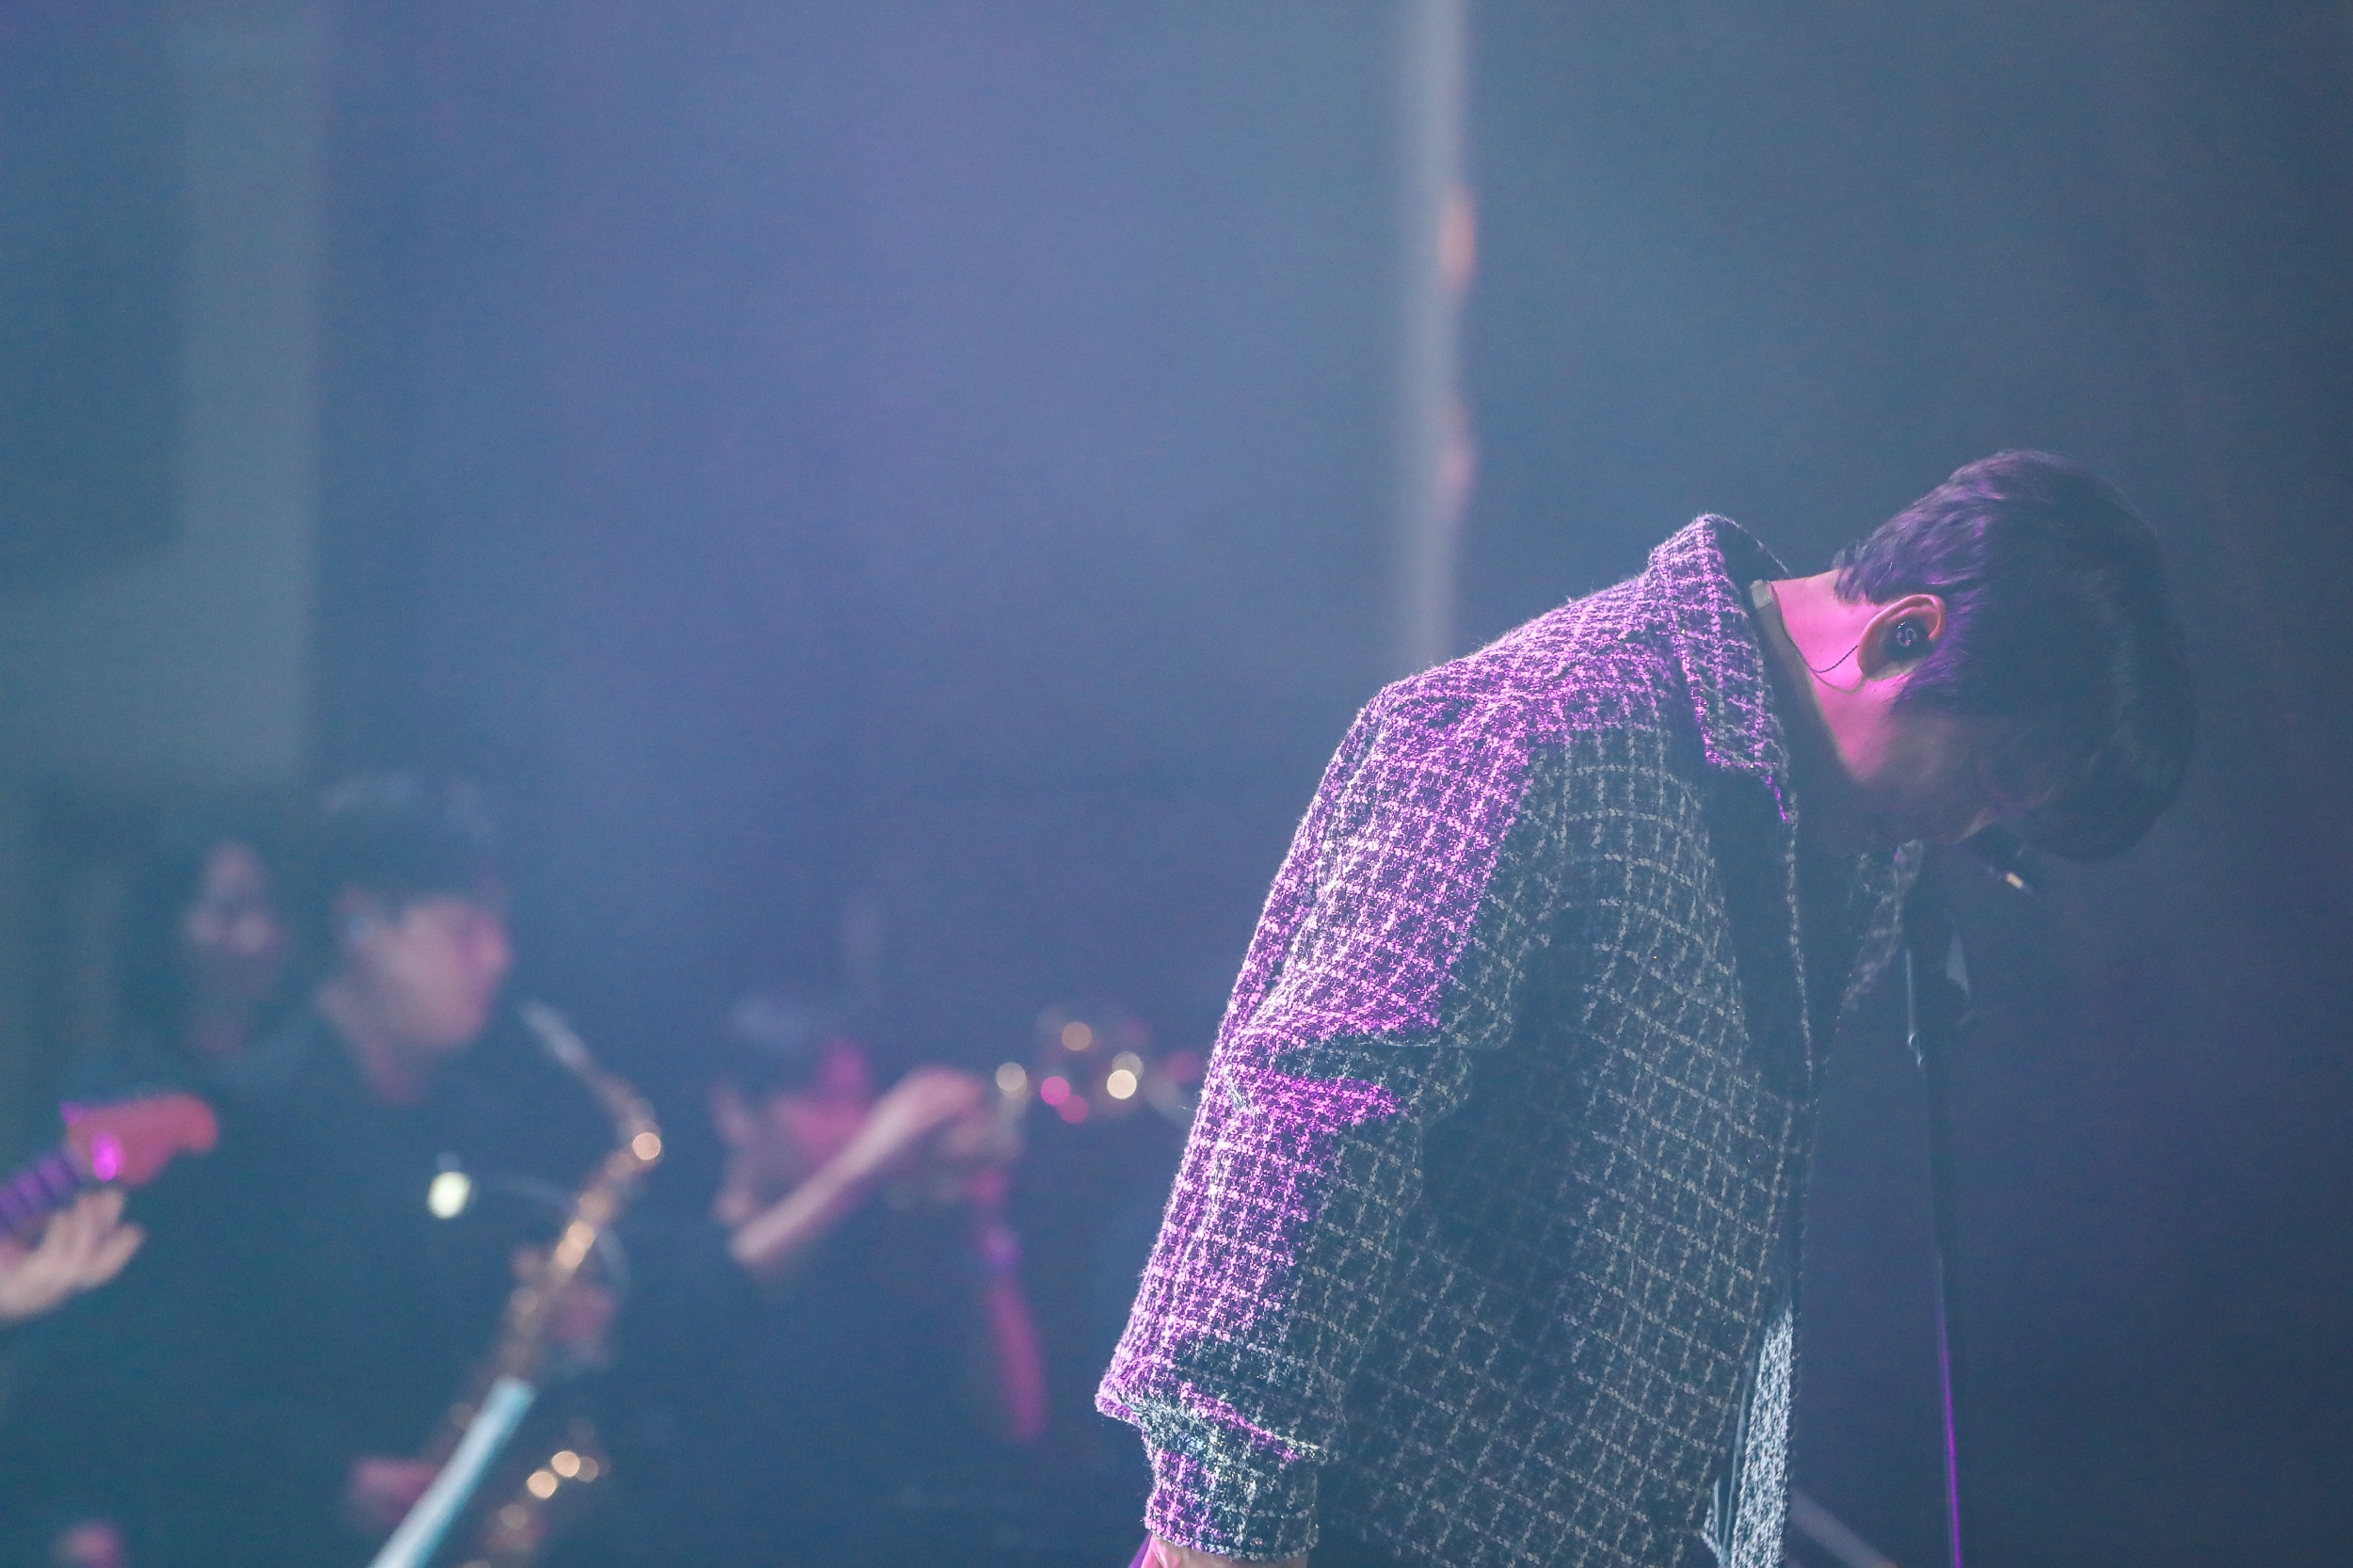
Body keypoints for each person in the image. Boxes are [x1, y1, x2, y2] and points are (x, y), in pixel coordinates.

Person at [1097, 452, 2195, 1568]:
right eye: (1987, 775)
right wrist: (1223, 1525)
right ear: (1904, 632)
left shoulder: (1852, 847)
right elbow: (1305, 1126)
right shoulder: (1542, 724)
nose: (1960, 829)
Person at [0, 775, 616, 1568]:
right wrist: (328, 1478)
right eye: (463, 929)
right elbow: (133, 1393)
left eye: (498, 928)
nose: (497, 958)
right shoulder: (230, 1128)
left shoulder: (476, 1125)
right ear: (359, 924)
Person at [585, 993, 1046, 1568]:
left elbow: (1015, 1420)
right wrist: (856, 1174)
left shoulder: (879, 1260)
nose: (853, 1127)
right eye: (822, 1100)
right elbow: (704, 1308)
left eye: (860, 1101)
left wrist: (981, 1226)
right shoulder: (658, 1250)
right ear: (735, 1109)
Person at [71, 807, 292, 1099]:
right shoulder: (108, 1094)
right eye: (228, 911)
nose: (258, 938)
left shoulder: (310, 1084)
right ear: (169, 924)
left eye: (271, 908)